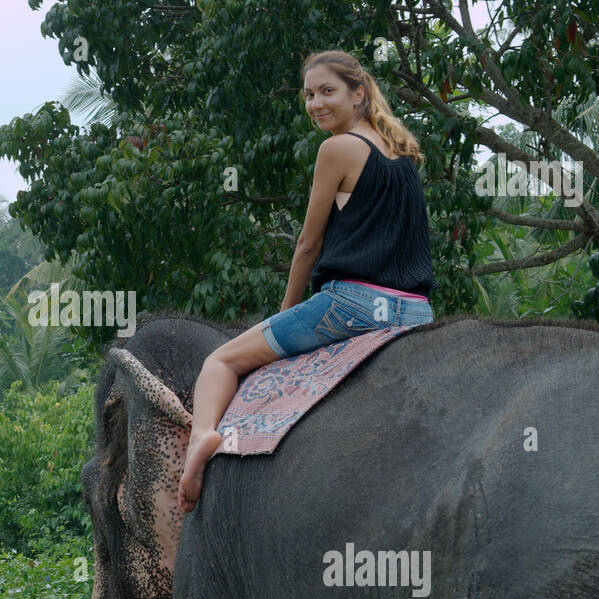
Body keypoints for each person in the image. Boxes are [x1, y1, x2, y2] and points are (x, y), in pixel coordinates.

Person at [178, 49, 436, 513]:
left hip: (353, 306)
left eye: (327, 92)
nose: (316, 103)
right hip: (417, 311)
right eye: (309, 95)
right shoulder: (403, 156)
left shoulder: (337, 149)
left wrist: (286, 311)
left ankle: (202, 437)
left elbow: (307, 245)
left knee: (220, 361)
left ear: (359, 93)